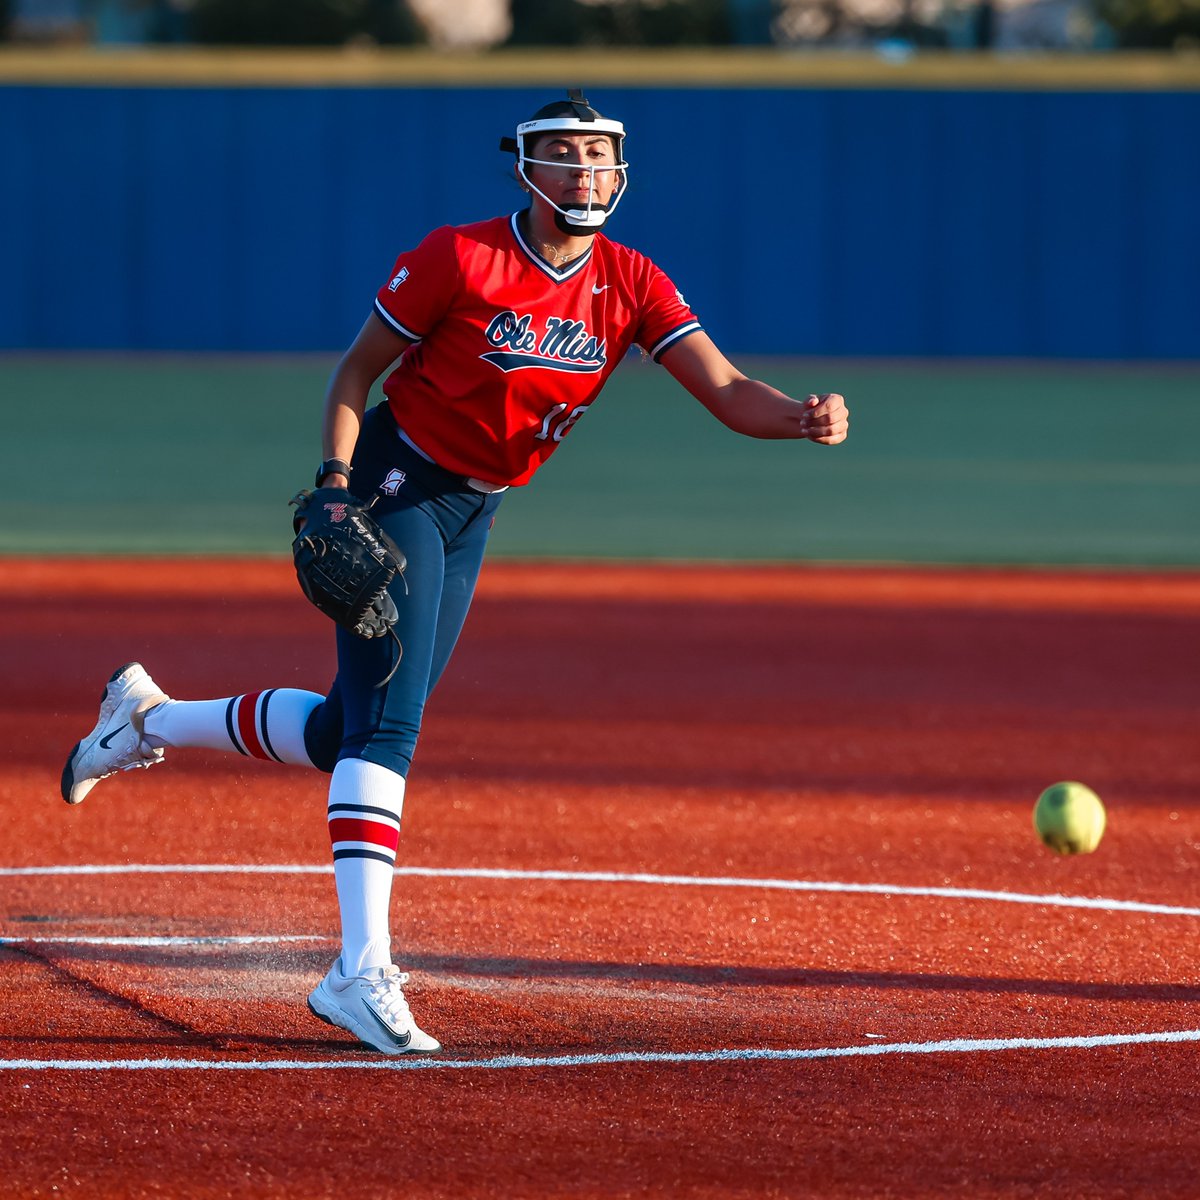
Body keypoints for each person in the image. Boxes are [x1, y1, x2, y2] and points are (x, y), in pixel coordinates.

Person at [59, 90, 850, 1056]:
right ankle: (358, 973)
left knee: (346, 730)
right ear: (527, 166)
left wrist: (798, 416)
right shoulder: (460, 256)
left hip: (478, 507)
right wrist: (335, 486)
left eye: (598, 155)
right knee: (388, 729)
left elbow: (726, 390)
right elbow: (354, 375)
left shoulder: (631, 280)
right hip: (399, 481)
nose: (585, 170)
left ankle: (144, 719)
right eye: (565, 154)